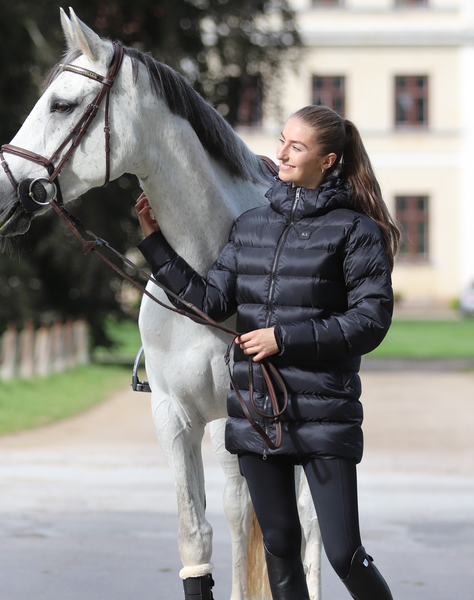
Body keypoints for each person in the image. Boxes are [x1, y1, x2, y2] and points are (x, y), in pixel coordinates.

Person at [136, 105, 400, 600]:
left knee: (344, 554)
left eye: (296, 146)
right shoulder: (251, 226)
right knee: (278, 543)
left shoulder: (355, 232)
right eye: (282, 140)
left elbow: (370, 323)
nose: (280, 152)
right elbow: (210, 302)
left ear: (328, 161)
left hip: (324, 416)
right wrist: (154, 244)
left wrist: (283, 338)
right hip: (259, 412)